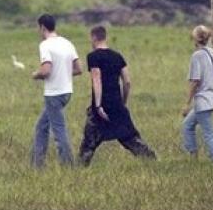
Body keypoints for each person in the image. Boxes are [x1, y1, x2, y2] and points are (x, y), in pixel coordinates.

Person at [79, 25, 156, 166]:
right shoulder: (117, 56)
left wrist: (98, 105)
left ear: (93, 37)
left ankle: (79, 169)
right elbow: (127, 82)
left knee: (89, 142)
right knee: (129, 137)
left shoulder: (93, 57)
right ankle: (151, 159)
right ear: (105, 37)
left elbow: (96, 79)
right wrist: (123, 102)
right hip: (117, 103)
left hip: (101, 104)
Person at [31, 14, 82, 168]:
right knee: (41, 127)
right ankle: (37, 164)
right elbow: (79, 69)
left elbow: (46, 70)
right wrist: (64, 73)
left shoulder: (45, 45)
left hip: (53, 93)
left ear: (42, 27)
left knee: (59, 130)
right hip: (67, 92)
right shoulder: (67, 43)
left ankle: (68, 165)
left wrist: (36, 74)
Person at [181, 25, 213, 162]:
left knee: (208, 133)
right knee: (187, 125)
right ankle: (193, 156)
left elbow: (195, 81)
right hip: (212, 97)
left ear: (196, 38)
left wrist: (187, 103)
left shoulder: (197, 55)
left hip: (203, 100)